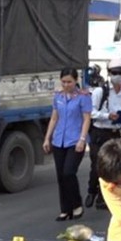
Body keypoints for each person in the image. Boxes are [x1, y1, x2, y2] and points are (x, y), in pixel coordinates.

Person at [43, 68, 92, 221]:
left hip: (75, 140)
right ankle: (65, 209)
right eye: (63, 82)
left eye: (69, 81)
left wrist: (82, 139)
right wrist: (47, 138)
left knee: (69, 172)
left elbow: (86, 119)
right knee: (60, 176)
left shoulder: (83, 97)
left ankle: (77, 204)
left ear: (76, 81)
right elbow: (54, 118)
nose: (66, 85)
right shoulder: (58, 96)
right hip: (59, 140)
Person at [86, 57, 121, 210]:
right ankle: (92, 190)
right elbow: (91, 112)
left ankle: (102, 197)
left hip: (114, 132)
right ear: (109, 73)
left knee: (111, 166)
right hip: (99, 132)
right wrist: (107, 116)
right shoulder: (100, 91)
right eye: (115, 72)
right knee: (97, 164)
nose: (118, 75)